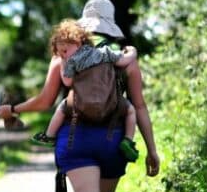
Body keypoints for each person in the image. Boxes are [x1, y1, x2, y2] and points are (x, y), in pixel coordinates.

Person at [0, 0, 161, 192]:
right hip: (113, 138)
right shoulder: (124, 57)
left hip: (75, 136)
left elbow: (46, 100)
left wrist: (13, 110)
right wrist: (151, 149)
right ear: (110, 26)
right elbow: (140, 106)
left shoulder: (64, 55)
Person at [32, 28, 140, 163]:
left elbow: (67, 81)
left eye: (64, 52)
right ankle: (128, 140)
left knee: (61, 108)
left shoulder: (72, 62)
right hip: (109, 101)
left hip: (80, 102)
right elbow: (124, 61)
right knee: (130, 111)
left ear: (77, 44)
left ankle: (50, 135)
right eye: (61, 54)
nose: (64, 55)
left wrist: (63, 63)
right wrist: (133, 52)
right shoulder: (105, 52)